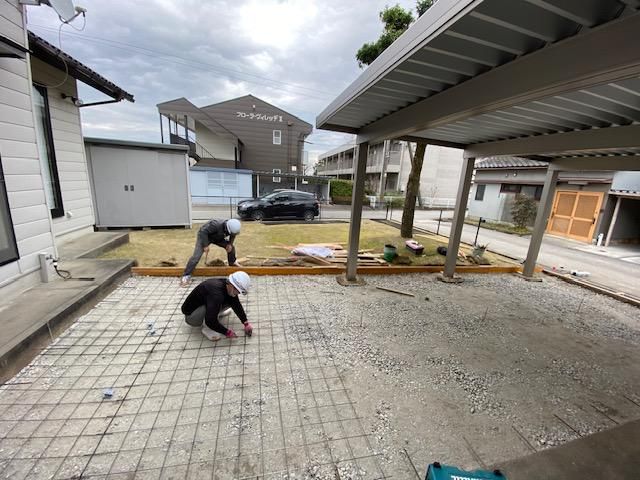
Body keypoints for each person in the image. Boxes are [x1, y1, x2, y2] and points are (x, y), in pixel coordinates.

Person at [181, 272, 253, 341]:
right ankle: (207, 329)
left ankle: (215, 313)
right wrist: (227, 332)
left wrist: (245, 323)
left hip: (206, 302)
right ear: (232, 285)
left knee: (231, 299)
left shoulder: (227, 285)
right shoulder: (216, 294)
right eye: (238, 291)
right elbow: (210, 321)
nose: (238, 293)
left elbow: (236, 304)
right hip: (191, 316)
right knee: (214, 308)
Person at [181, 218, 241, 286]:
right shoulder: (215, 225)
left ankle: (232, 263)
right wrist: (205, 245)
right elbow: (203, 231)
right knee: (196, 256)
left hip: (218, 237)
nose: (232, 234)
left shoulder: (232, 229)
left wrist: (230, 244)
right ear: (227, 228)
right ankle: (186, 275)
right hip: (204, 237)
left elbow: (233, 235)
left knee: (231, 248)